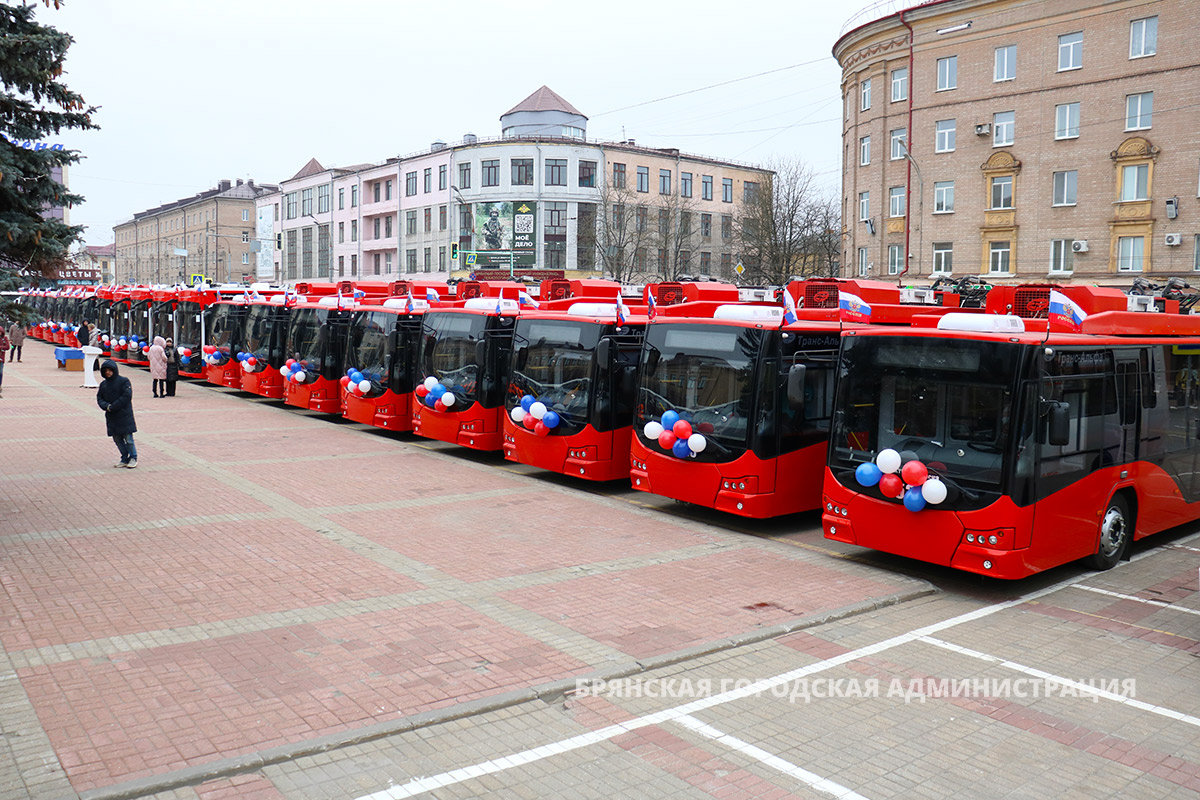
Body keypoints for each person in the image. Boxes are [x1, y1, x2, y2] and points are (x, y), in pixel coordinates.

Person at [96, 359, 137, 467]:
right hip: (111, 416)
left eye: (110, 370)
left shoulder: (124, 381)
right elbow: (99, 398)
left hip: (124, 414)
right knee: (117, 439)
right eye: (106, 371)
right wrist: (107, 407)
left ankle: (133, 457)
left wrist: (114, 406)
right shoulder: (103, 384)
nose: (108, 373)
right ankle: (124, 457)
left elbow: (126, 396)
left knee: (128, 438)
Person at [0, 327, 9, 398]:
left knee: (0, 372)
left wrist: (0, 347)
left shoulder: (4, 338)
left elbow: (7, 346)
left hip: (1, 358)